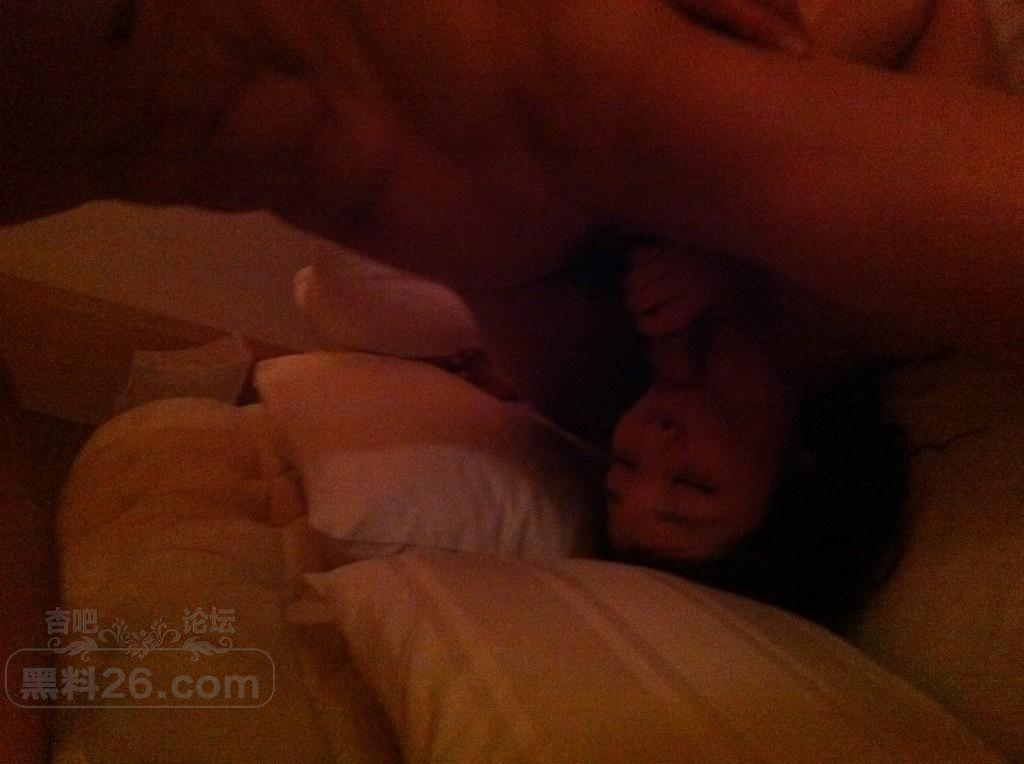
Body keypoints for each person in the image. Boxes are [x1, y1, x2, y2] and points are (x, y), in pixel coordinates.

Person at [605, 245, 908, 630]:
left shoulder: (642, 336)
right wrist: (738, 277)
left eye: (625, 463)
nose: (653, 437)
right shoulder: (867, 325)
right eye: (692, 484)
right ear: (795, 476)